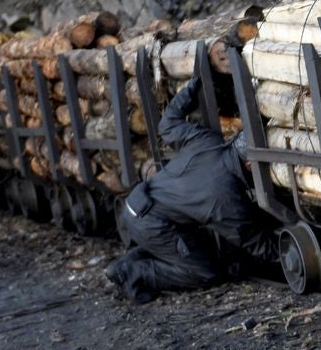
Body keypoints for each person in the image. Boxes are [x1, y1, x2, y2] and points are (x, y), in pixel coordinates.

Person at [105, 74, 278, 302]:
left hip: (140, 205)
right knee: (203, 273)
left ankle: (145, 256)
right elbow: (254, 242)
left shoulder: (207, 141)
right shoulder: (224, 197)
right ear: (249, 164)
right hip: (151, 223)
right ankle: (133, 271)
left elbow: (167, 124)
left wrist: (193, 86)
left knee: (204, 251)